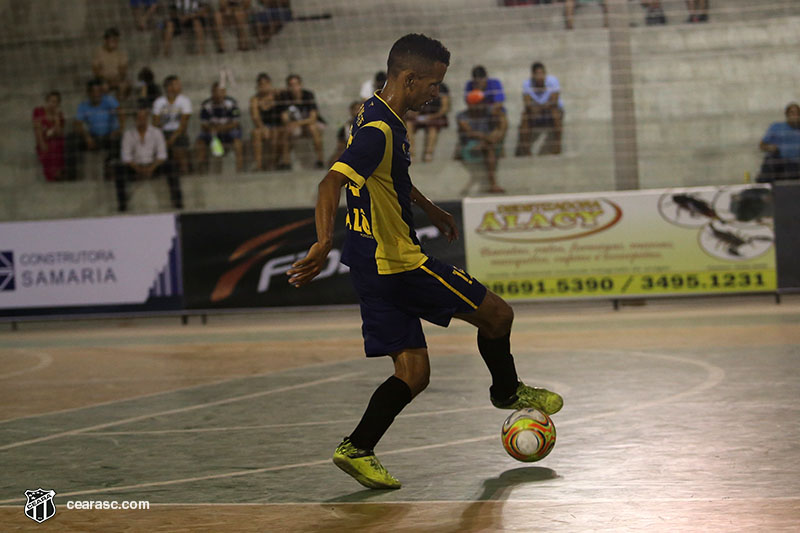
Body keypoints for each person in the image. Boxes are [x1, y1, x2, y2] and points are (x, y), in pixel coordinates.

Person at [286, 33, 563, 490]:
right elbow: (328, 184)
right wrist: (320, 242)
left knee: (413, 374)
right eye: (433, 84)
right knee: (498, 315)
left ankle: (356, 448)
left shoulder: (372, 112)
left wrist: (429, 207)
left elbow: (389, 177)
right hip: (399, 264)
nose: (436, 93)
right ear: (409, 78)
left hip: (369, 270)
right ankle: (507, 391)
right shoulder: (379, 130)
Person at [115, 101, 183, 212]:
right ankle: (122, 206)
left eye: (144, 117)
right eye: (139, 117)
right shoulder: (128, 134)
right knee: (119, 170)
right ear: (134, 119)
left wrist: (151, 168)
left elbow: (162, 155)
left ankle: (178, 204)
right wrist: (138, 169)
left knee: (171, 167)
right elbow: (126, 157)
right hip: (135, 166)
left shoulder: (156, 132)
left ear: (147, 118)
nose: (141, 120)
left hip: (153, 165)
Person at [66, 78, 123, 180]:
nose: (97, 94)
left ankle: (110, 167)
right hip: (93, 137)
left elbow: (120, 112)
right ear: (89, 93)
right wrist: (87, 137)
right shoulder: (83, 105)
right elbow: (78, 123)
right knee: (71, 138)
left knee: (120, 140)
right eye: (94, 92)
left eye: (99, 91)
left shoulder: (108, 100)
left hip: (108, 136)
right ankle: (71, 174)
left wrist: (119, 129)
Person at [458, 89, 508, 193]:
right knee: (488, 145)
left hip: (489, 143)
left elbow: (503, 123)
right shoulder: (462, 116)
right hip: (470, 146)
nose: (484, 104)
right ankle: (493, 183)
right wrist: (487, 138)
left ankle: (492, 184)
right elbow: (470, 133)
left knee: (488, 145)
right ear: (472, 105)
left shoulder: (489, 112)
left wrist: (499, 116)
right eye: (480, 102)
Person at [515, 61, 564, 156]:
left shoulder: (553, 81)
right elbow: (527, 104)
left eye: (542, 73)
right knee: (524, 116)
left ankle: (557, 146)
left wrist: (538, 107)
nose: (540, 76)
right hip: (537, 112)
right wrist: (538, 107)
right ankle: (526, 150)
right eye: (538, 74)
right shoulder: (527, 84)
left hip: (550, 111)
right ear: (533, 75)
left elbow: (554, 101)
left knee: (556, 113)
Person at [195, 81, 244, 172]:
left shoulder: (232, 103)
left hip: (228, 131)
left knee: (237, 140)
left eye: (220, 91)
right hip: (212, 132)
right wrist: (213, 129)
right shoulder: (206, 104)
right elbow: (204, 124)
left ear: (224, 92)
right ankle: (200, 170)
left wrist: (220, 128)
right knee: (200, 141)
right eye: (215, 91)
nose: (218, 94)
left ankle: (240, 169)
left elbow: (236, 123)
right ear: (212, 93)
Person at [279, 74, 326, 169]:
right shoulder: (285, 97)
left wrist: (297, 123)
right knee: (287, 130)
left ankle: (320, 160)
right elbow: (284, 117)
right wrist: (291, 124)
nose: (294, 87)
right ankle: (286, 161)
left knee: (312, 128)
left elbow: (313, 118)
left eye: (296, 84)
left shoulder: (308, 95)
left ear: (300, 84)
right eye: (291, 85)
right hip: (297, 125)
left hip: (310, 123)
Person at [152, 75, 192, 174]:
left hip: (178, 133)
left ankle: (184, 173)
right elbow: (156, 123)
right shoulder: (158, 102)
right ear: (169, 87)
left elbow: (183, 124)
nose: (180, 86)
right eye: (177, 84)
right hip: (163, 133)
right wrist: (162, 139)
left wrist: (171, 140)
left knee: (179, 148)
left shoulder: (185, 101)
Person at [405, 80, 449, 162]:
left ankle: (428, 154)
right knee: (408, 125)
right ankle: (411, 153)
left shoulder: (443, 88)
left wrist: (430, 117)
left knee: (433, 128)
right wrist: (415, 113)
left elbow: (444, 109)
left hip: (435, 116)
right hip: (421, 114)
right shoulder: (421, 86)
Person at [757, 102, 800, 183]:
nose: (795, 115)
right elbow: (761, 145)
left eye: (798, 113)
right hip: (778, 161)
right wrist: (770, 147)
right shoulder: (776, 127)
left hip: (795, 164)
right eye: (792, 113)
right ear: (787, 115)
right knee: (770, 161)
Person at [250, 73, 285, 170]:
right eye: (261, 84)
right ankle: (258, 165)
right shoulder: (255, 99)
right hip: (264, 126)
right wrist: (262, 127)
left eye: (266, 84)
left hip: (277, 126)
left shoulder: (277, 95)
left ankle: (273, 163)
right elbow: (255, 117)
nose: (263, 86)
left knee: (275, 133)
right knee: (256, 133)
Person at [32, 91, 65, 182]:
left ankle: (57, 174)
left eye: (56, 102)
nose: (53, 104)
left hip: (56, 141)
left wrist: (56, 119)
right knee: (48, 150)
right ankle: (52, 176)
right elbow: (37, 129)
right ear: (47, 101)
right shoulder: (38, 111)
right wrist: (42, 143)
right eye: (51, 101)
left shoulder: (60, 115)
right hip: (43, 141)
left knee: (58, 144)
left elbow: (59, 133)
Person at [92, 27, 131, 101]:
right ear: (106, 40)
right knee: (104, 86)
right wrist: (105, 79)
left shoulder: (121, 53)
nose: (115, 42)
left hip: (117, 80)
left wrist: (117, 79)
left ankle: (119, 106)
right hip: (102, 80)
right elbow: (96, 70)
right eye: (113, 40)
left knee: (124, 86)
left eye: (116, 40)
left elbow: (123, 70)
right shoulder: (98, 52)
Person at [326, 100, 361, 168]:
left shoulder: (369, 126)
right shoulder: (344, 128)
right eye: (356, 109)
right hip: (350, 151)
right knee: (334, 161)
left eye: (360, 109)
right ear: (351, 111)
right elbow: (340, 146)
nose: (358, 112)